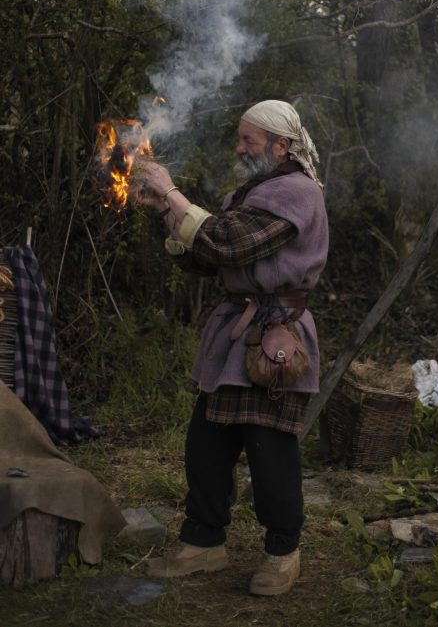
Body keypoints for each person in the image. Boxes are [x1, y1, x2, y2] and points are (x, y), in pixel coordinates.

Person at [133, 100, 328, 596]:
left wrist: (173, 192)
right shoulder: (250, 194)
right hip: (234, 331)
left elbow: (229, 245)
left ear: (281, 146)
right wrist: (166, 213)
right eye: (239, 138)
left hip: (275, 334)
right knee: (206, 443)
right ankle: (204, 542)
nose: (239, 147)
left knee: (271, 453)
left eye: (248, 140)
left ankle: (283, 552)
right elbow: (207, 257)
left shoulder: (298, 193)